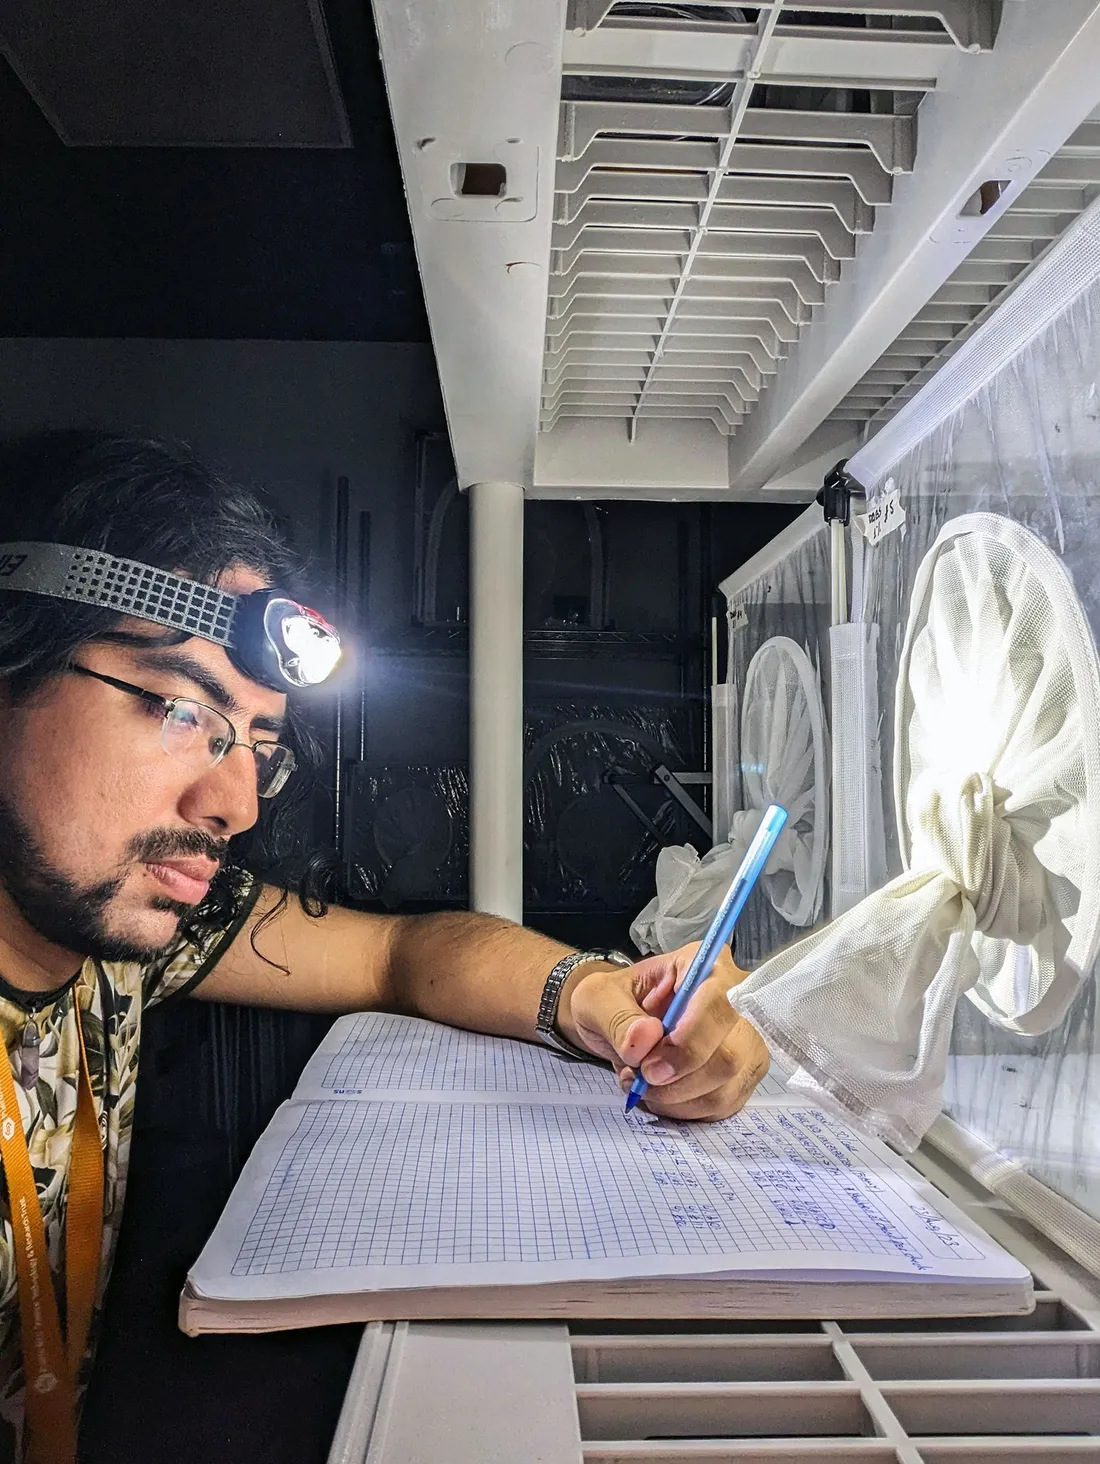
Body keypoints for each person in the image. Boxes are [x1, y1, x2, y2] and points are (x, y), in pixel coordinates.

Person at [0, 431, 766, 1462]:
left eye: (258, 748)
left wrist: (594, 998)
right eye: (180, 709)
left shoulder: (128, 940)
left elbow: (401, 952)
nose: (231, 802)